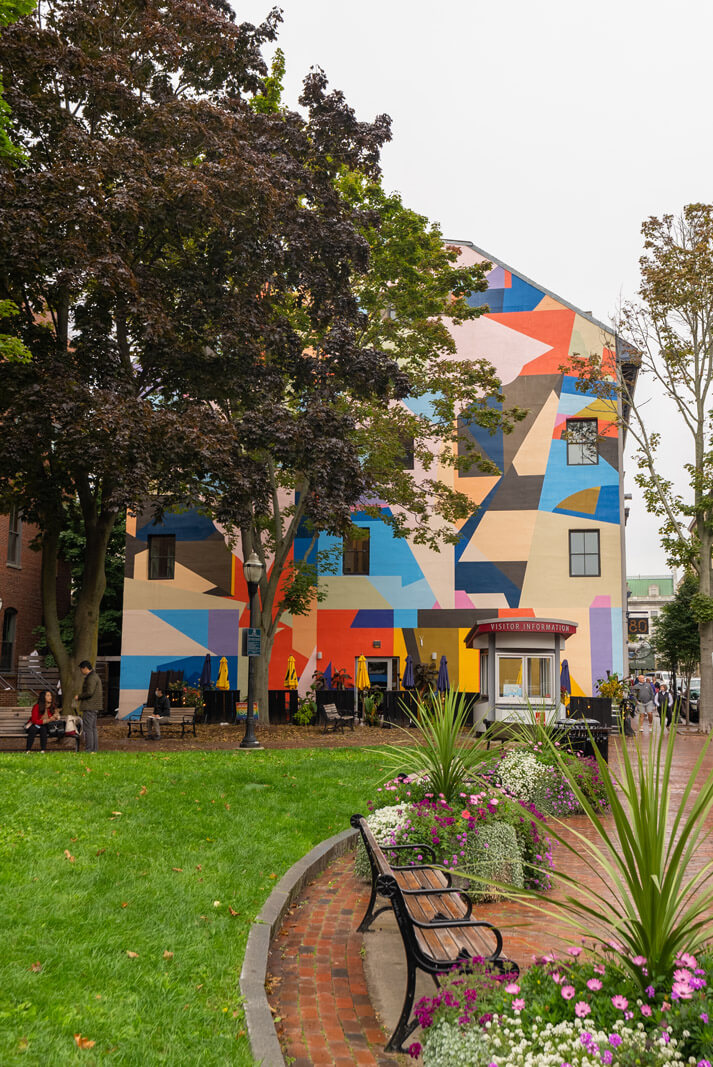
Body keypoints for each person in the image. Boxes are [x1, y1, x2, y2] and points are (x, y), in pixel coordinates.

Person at [74, 660, 103, 752]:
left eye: (81, 669)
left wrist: (79, 696)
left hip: (89, 706)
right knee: (93, 729)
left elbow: (89, 692)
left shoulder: (91, 678)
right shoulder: (95, 676)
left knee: (88, 729)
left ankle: (89, 749)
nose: (81, 671)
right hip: (94, 706)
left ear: (85, 668)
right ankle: (94, 749)